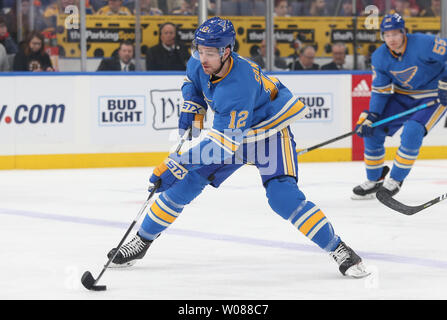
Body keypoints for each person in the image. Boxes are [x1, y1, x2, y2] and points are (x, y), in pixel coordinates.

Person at [107, 17, 370, 279]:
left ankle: (339, 249)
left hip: (268, 133)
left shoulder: (238, 85)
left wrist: (178, 162)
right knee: (183, 185)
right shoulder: (199, 60)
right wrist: (193, 102)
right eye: (200, 51)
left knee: (283, 198)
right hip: (231, 134)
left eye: (210, 53)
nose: (203, 58)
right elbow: (192, 81)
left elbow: (222, 145)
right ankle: (142, 241)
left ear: (227, 51)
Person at [352, 13, 447, 199]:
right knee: (373, 129)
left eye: (395, 34)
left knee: (412, 131)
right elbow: (380, 90)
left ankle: (395, 180)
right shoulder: (379, 56)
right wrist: (372, 115)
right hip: (403, 96)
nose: (391, 39)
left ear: (404, 32)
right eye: (387, 35)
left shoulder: (424, 43)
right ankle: (374, 179)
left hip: (434, 97)